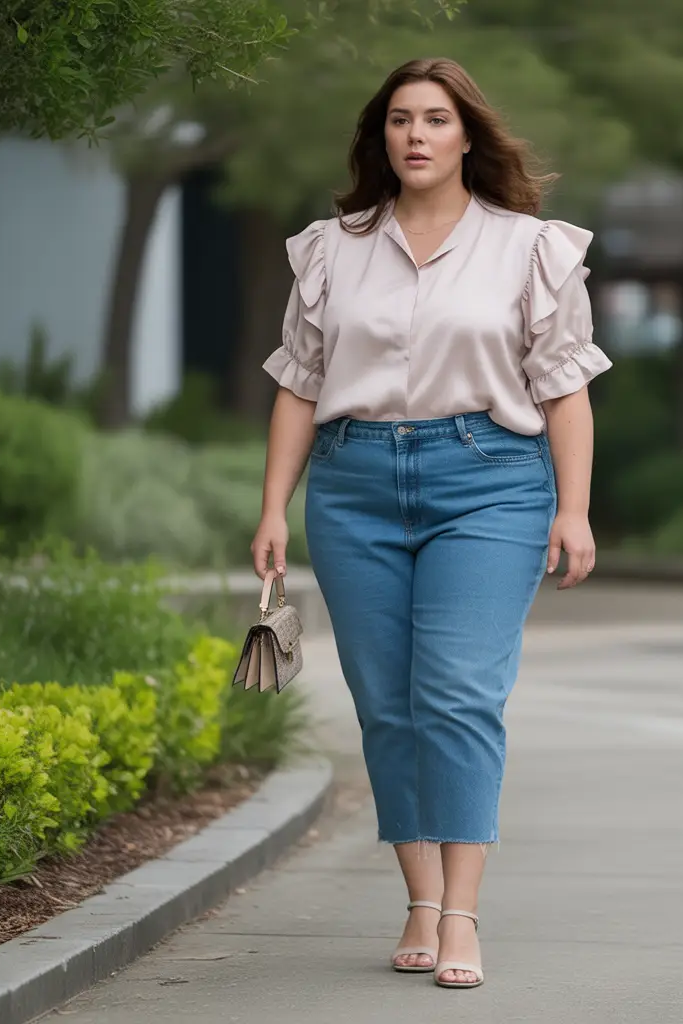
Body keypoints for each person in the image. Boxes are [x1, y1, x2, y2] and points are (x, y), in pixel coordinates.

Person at [250, 56, 611, 990]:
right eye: (400, 120)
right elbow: (299, 384)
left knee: (455, 691)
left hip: (489, 480)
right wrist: (272, 510)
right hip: (353, 482)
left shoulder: (529, 249)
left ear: (467, 136)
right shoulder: (332, 249)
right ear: (381, 138)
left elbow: (565, 389)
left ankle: (461, 912)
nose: (416, 135)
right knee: (384, 701)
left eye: (436, 119)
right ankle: (417, 896)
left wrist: (572, 509)